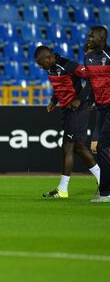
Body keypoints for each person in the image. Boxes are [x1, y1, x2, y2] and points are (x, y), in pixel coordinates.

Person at [33, 45, 100, 198]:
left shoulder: (68, 65)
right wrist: (53, 101)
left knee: (68, 147)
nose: (40, 67)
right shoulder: (50, 68)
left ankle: (63, 189)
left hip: (77, 110)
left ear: (49, 58)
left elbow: (91, 79)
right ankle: (104, 180)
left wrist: (80, 99)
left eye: (41, 63)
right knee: (78, 147)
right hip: (67, 110)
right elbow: (60, 87)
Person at [83, 26, 110, 202]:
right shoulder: (88, 58)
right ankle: (104, 191)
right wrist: (88, 101)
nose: (88, 38)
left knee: (102, 147)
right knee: (100, 148)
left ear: (102, 38)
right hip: (101, 106)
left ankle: (106, 192)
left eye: (92, 36)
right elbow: (92, 83)